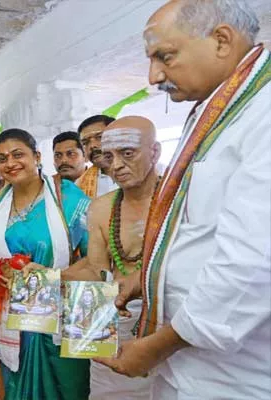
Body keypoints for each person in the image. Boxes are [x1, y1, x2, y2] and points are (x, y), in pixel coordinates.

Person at [96, 1, 271, 399]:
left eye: (165, 56)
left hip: (236, 378)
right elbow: (200, 232)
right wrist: (150, 281)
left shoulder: (264, 112)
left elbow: (254, 262)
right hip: (193, 368)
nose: (154, 75)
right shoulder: (220, 112)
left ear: (222, 40)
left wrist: (158, 346)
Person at [0, 129, 91, 399]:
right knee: (17, 388)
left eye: (18, 154)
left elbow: (95, 259)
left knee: (68, 389)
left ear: (37, 156)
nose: (10, 163)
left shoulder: (68, 197)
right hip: (14, 319)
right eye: (2, 158)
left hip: (63, 317)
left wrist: (53, 275)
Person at [65, 116, 159, 399]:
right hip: (114, 325)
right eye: (109, 156)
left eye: (127, 153)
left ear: (154, 152)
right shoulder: (100, 208)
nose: (116, 165)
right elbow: (97, 271)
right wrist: (49, 277)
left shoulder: (180, 198)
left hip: (168, 330)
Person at [76, 114, 118, 198]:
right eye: (85, 143)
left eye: (99, 137)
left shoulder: (143, 173)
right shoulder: (79, 187)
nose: (92, 146)